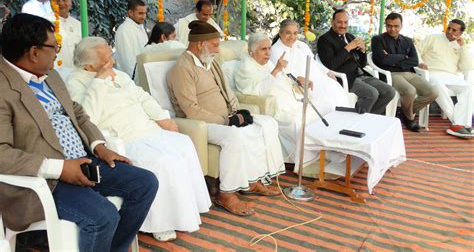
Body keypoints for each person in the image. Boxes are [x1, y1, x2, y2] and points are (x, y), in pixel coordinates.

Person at [0, 14, 158, 252]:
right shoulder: (3, 88)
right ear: (34, 52)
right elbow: (2, 154)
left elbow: (76, 111)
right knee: (103, 217)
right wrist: (60, 168)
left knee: (145, 183)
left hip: (84, 161)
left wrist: (99, 146)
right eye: (55, 47)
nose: (57, 53)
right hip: (43, 179)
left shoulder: (48, 73)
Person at [66, 37, 212, 242]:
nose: (113, 62)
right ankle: (160, 222)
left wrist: (162, 118)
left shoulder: (119, 75)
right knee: (164, 160)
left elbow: (142, 97)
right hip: (123, 137)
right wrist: (99, 81)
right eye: (108, 58)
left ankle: (185, 209)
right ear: (89, 65)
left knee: (184, 143)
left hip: (145, 127)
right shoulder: (75, 82)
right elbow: (87, 117)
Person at [167, 21, 285, 216]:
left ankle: (252, 181)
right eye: (214, 44)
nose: (218, 49)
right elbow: (191, 110)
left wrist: (237, 112)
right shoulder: (183, 68)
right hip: (201, 125)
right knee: (234, 137)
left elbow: (227, 91)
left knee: (267, 123)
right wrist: (226, 121)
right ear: (199, 45)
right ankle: (225, 194)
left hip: (225, 118)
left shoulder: (210, 62)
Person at [237, 33, 346, 170]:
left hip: (290, 100)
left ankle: (324, 152)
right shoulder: (246, 68)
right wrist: (276, 69)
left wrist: (299, 82)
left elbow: (284, 80)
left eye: (269, 48)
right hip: (277, 107)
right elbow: (256, 92)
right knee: (298, 122)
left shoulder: (267, 64)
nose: (268, 53)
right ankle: (308, 159)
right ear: (251, 52)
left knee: (320, 111)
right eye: (263, 49)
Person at [318, 9, 396, 114]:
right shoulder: (325, 40)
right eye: (339, 22)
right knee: (371, 93)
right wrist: (348, 47)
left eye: (345, 22)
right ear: (332, 22)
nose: (343, 25)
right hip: (345, 77)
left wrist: (363, 51)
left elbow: (362, 64)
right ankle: (358, 120)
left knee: (389, 91)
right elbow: (331, 65)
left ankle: (370, 118)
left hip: (360, 74)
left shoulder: (350, 37)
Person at [371, 12, 438, 132]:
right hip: (391, 74)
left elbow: (414, 61)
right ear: (386, 25)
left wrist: (392, 58)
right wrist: (404, 57)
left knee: (433, 92)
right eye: (389, 26)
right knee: (410, 91)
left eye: (396, 26)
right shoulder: (377, 40)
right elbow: (381, 60)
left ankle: (405, 112)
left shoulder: (408, 41)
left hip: (410, 73)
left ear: (401, 26)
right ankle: (409, 119)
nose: (392, 29)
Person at [270, 19, 351, 116]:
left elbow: (314, 62)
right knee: (325, 101)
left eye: (295, 33)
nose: (292, 37)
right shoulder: (275, 50)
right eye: (288, 33)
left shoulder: (301, 45)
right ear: (280, 33)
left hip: (317, 77)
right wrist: (298, 81)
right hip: (300, 84)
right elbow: (281, 75)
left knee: (335, 91)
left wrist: (327, 72)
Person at [417, 19, 474, 138]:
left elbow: (467, 66)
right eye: (449, 28)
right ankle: (457, 124)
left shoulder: (459, 46)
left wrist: (462, 46)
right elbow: (416, 50)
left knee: (468, 88)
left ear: (460, 33)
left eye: (454, 30)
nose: (450, 31)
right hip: (430, 72)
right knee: (438, 86)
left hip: (450, 75)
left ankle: (461, 124)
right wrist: (420, 62)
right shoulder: (433, 37)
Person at [114, 0, 148, 78]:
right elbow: (127, 60)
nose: (143, 17)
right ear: (130, 13)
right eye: (140, 13)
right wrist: (135, 80)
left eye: (145, 13)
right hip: (131, 78)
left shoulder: (139, 27)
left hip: (141, 75)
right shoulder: (124, 30)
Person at [55, 0, 82, 69]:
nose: (61, 3)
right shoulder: (44, 23)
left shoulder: (78, 25)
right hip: (55, 76)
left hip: (77, 75)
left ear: (70, 1)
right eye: (57, 0)